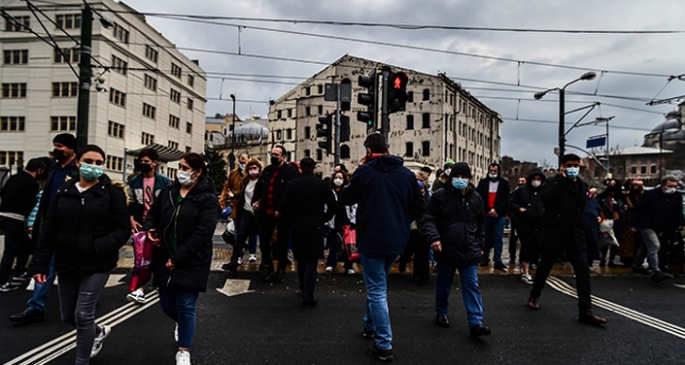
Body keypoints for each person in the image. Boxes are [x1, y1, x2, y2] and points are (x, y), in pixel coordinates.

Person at [30, 145, 130, 364]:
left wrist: (97, 246)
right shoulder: (64, 193)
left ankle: (81, 361)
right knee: (69, 316)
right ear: (78, 162)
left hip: (98, 263)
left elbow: (122, 229)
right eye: (89, 161)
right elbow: (48, 231)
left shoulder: (111, 194)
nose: (93, 166)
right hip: (67, 263)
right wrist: (39, 264)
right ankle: (96, 332)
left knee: (83, 314)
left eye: (98, 162)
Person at [340, 133, 424, 362]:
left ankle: (384, 343)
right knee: (378, 283)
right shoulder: (406, 175)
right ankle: (369, 324)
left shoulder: (365, 172)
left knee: (376, 289)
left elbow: (346, 198)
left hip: (371, 239)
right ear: (388, 149)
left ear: (368, 151)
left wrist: (358, 171)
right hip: (397, 240)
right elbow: (419, 207)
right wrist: (401, 220)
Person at [143, 153, 218, 365]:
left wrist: (178, 257)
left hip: (193, 259)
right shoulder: (168, 192)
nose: (181, 172)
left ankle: (184, 349)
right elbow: (153, 214)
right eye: (181, 167)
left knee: (186, 303)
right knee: (166, 304)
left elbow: (203, 233)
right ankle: (183, 323)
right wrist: (150, 229)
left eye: (186, 168)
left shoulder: (207, 198)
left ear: (198, 171)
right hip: (164, 256)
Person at [527, 154, 607, 326]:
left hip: (574, 234)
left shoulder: (582, 185)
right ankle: (535, 294)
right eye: (569, 165)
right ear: (562, 167)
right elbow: (546, 198)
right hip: (554, 233)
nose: (573, 169)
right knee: (545, 267)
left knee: (582, 270)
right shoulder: (552, 183)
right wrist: (562, 181)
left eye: (576, 165)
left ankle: (585, 310)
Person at [10, 133, 80, 323]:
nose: (57, 149)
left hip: (71, 229)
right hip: (50, 227)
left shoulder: (78, 170)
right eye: (55, 145)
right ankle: (35, 307)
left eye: (61, 146)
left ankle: (82, 302)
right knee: (43, 266)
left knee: (74, 268)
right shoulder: (52, 170)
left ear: (71, 149)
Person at [423, 162, 491, 338]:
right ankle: (441, 311)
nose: (460, 180)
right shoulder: (440, 197)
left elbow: (481, 225)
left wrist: (481, 246)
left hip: (469, 249)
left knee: (471, 285)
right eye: (457, 177)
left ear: (469, 179)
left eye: (464, 177)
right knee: (444, 283)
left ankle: (476, 321)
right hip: (447, 248)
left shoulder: (476, 198)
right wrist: (434, 238)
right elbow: (429, 219)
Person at [277, 158, 337, 308]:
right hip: (316, 225)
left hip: (298, 225)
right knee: (312, 261)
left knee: (301, 259)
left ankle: (303, 288)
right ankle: (308, 296)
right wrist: (324, 218)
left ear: (301, 169)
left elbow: (284, 207)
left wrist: (292, 219)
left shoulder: (293, 185)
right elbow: (333, 206)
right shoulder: (322, 185)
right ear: (314, 169)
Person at [126, 148, 172, 303]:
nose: (143, 164)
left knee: (159, 256)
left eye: (147, 161)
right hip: (141, 224)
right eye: (141, 161)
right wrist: (132, 219)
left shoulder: (164, 182)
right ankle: (139, 289)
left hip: (159, 224)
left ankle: (161, 282)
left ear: (154, 163)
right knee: (141, 257)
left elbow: (168, 204)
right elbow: (132, 203)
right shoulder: (135, 182)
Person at [251, 146, 298, 282]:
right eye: (272, 154)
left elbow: (291, 194)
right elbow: (259, 189)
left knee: (282, 243)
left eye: (276, 155)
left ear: (283, 157)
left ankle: (281, 268)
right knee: (264, 241)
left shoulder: (289, 172)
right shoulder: (267, 171)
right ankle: (268, 265)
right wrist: (256, 201)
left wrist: (283, 209)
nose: (273, 157)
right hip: (265, 212)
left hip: (282, 214)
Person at [0, 158, 46, 291]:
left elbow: (3, 192)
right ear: (39, 170)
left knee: (25, 244)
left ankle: (20, 272)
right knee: (11, 250)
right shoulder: (32, 184)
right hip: (15, 218)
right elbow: (31, 202)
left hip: (3, 215)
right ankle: (2, 281)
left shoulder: (15, 177)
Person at [629, 176, 685, 283]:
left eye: (674, 186)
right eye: (670, 186)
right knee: (654, 245)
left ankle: (637, 264)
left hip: (662, 225)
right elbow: (637, 209)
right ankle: (655, 270)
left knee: (646, 245)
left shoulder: (676, 196)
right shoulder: (651, 195)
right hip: (646, 223)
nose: (672, 189)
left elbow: (678, 211)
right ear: (663, 186)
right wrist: (633, 224)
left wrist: (681, 223)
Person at [222, 158, 263, 272]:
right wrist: (233, 195)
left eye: (254, 168)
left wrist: (260, 203)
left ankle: (265, 263)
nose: (252, 171)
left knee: (264, 238)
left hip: (259, 214)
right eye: (249, 169)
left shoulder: (263, 180)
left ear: (259, 169)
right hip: (246, 212)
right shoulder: (246, 180)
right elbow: (241, 193)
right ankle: (234, 260)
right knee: (240, 236)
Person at [508, 170, 546, 284]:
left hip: (540, 223)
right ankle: (525, 271)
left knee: (538, 245)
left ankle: (535, 265)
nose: (536, 182)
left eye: (539, 179)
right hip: (524, 223)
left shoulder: (545, 191)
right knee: (527, 245)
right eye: (534, 179)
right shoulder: (521, 191)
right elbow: (511, 203)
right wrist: (519, 209)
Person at [476, 162, 510, 270]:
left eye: (495, 171)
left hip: (499, 215)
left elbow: (506, 199)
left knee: (497, 237)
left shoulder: (504, 183)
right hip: (486, 215)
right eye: (491, 171)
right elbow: (480, 198)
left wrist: (496, 210)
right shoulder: (483, 183)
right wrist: (488, 210)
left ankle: (497, 259)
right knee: (485, 237)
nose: (493, 173)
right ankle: (485, 257)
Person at [398, 180, 430, 285]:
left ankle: (421, 276)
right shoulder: (413, 199)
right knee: (413, 251)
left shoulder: (428, 199)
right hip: (415, 229)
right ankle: (405, 263)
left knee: (422, 254)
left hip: (423, 229)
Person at [325, 170, 356, 275]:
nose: (338, 180)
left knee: (348, 244)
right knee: (333, 243)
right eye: (336, 177)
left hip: (346, 220)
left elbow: (353, 206)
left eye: (341, 178)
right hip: (334, 220)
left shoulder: (347, 192)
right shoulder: (330, 192)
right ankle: (330, 264)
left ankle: (348, 266)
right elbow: (326, 207)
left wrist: (353, 220)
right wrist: (326, 221)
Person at [597, 179, 627, 267]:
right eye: (611, 184)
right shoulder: (602, 197)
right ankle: (602, 259)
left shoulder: (621, 197)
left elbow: (624, 208)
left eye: (614, 184)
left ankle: (611, 260)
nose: (612, 185)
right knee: (605, 240)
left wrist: (622, 212)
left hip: (617, 221)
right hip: (606, 221)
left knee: (615, 241)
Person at [508, 176, 527, 266]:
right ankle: (512, 257)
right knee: (513, 240)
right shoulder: (514, 193)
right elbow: (509, 205)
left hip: (526, 220)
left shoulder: (528, 194)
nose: (521, 183)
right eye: (519, 181)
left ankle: (522, 258)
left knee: (525, 241)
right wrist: (513, 216)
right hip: (516, 219)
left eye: (523, 181)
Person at [584, 188, 603, 266]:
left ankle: (590, 261)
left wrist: (599, 217)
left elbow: (600, 212)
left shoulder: (594, 202)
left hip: (592, 226)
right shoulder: (580, 201)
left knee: (592, 244)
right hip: (582, 225)